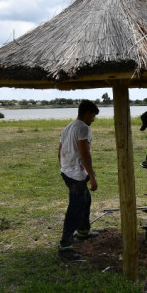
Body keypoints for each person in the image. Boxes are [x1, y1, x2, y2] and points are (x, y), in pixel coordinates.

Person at [57, 100, 101, 261]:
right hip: (75, 175)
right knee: (75, 209)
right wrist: (92, 177)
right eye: (93, 116)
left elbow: (60, 149)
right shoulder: (83, 128)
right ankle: (65, 247)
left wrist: (63, 166)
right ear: (88, 113)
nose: (93, 120)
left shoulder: (68, 126)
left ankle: (83, 232)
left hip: (68, 171)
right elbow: (85, 153)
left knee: (85, 200)